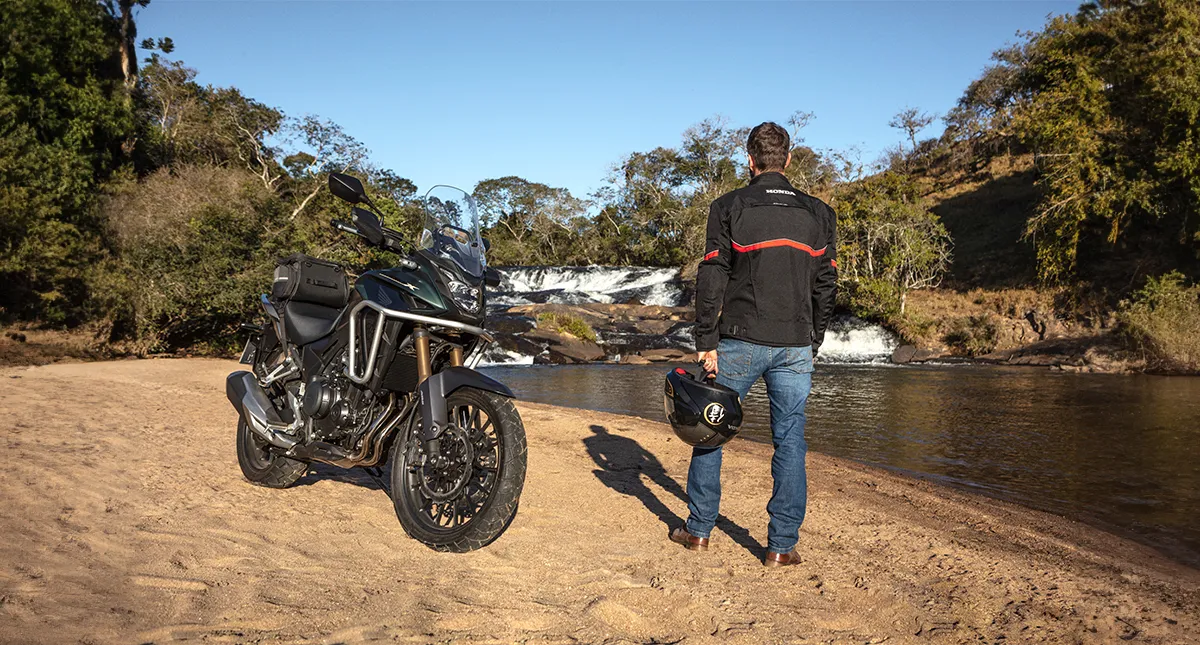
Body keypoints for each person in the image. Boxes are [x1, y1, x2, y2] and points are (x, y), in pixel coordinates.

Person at [670, 121, 838, 568]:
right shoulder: (820, 213)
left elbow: (713, 275)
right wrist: (814, 338)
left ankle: (699, 531)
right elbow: (826, 284)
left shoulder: (728, 206)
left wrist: (705, 339)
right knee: (790, 441)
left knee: (710, 430)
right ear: (788, 158)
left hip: (739, 340)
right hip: (795, 343)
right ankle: (781, 546)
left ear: (749, 159)